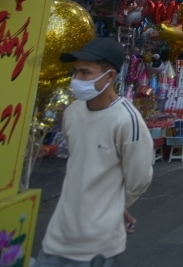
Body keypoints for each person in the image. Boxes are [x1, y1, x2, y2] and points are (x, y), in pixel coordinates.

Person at [36, 38, 152, 267]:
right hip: (57, 238)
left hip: (98, 246)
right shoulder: (73, 113)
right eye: (76, 72)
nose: (76, 79)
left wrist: (114, 206)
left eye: (85, 73)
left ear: (109, 76)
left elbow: (139, 179)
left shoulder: (127, 121)